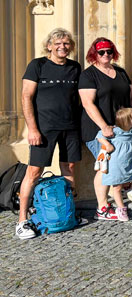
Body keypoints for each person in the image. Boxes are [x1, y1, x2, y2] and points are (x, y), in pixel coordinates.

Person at [16, 29, 82, 240]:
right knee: (34, 172)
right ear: (49, 46)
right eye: (58, 43)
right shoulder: (37, 65)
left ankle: (67, 213)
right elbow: (26, 97)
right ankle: (22, 220)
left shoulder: (75, 67)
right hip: (44, 129)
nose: (62, 47)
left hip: (71, 127)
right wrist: (32, 129)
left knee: (69, 167)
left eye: (66, 43)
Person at [79, 38, 132, 221]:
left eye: (109, 51)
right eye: (101, 52)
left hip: (122, 131)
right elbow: (87, 104)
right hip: (98, 131)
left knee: (117, 165)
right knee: (105, 167)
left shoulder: (120, 72)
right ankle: (102, 208)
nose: (106, 54)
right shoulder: (88, 75)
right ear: (94, 54)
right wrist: (104, 126)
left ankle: (115, 197)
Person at [99, 108, 132, 222]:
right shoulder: (115, 130)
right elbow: (99, 136)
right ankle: (121, 208)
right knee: (117, 186)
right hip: (117, 161)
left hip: (131, 158)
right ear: (126, 121)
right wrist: (107, 145)